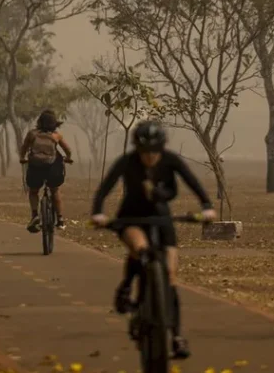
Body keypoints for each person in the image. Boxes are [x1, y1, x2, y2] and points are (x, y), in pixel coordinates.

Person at [89, 120, 217, 361]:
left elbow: (193, 184)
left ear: (162, 149)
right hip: (131, 217)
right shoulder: (127, 162)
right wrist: (98, 213)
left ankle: (177, 336)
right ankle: (127, 286)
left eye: (154, 152)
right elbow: (104, 188)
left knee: (170, 275)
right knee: (141, 249)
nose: (149, 157)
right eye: (144, 153)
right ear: (137, 149)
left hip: (161, 219)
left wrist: (207, 207)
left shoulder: (171, 160)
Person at [18, 109, 73, 232]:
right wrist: (68, 158)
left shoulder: (32, 134)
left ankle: (35, 215)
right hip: (52, 168)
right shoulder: (56, 136)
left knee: (33, 191)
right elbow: (68, 150)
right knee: (55, 190)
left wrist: (22, 158)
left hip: (35, 167)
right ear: (54, 123)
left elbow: (24, 148)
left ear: (39, 122)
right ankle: (60, 219)